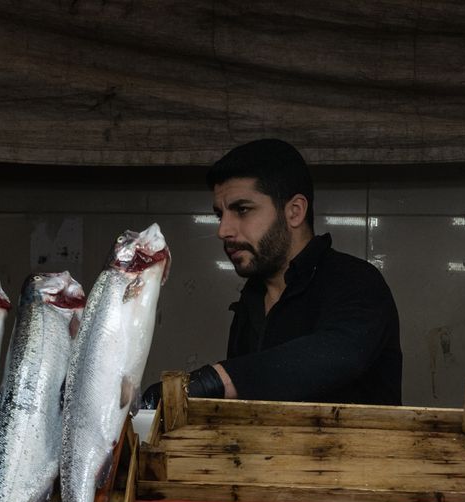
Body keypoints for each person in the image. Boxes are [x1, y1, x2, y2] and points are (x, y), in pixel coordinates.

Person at [141, 138, 403, 407]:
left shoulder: (356, 280)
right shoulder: (252, 298)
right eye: (220, 215)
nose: (223, 230)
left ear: (294, 211)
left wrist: (211, 381)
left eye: (242, 210)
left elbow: (339, 355)